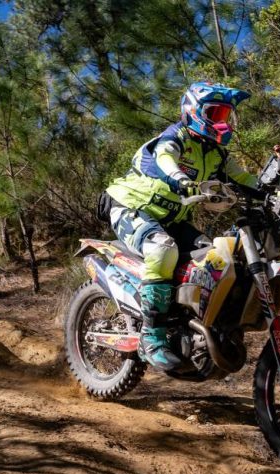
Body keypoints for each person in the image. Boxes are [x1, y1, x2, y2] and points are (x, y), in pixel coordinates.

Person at [104, 82, 260, 371]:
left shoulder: (217, 153)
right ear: (193, 111)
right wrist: (181, 179)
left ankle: (189, 326)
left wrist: (272, 191)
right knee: (162, 250)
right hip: (131, 207)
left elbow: (244, 179)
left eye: (225, 115)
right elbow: (165, 157)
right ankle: (151, 336)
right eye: (214, 113)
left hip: (172, 219)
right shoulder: (175, 137)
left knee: (212, 258)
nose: (221, 121)